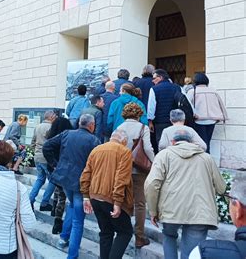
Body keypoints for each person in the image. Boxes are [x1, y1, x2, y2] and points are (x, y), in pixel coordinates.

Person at [145, 130, 226, 259]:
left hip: (171, 210)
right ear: (192, 142)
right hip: (200, 211)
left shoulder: (164, 155)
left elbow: (151, 184)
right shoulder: (206, 158)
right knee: (192, 252)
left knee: (169, 236)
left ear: (172, 142)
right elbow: (221, 187)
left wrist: (153, 211)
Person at [43, 114, 99, 259]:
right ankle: (71, 255)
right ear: (92, 125)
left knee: (73, 207)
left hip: (66, 179)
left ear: (80, 123)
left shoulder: (67, 134)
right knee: (78, 221)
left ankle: (63, 238)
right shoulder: (94, 140)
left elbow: (47, 145)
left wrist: (55, 164)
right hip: (81, 183)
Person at [80, 130, 134, 259]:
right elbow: (121, 179)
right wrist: (117, 202)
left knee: (105, 232)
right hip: (110, 198)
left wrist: (86, 196)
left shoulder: (97, 149)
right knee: (125, 232)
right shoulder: (124, 151)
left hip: (95, 196)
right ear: (124, 141)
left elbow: (86, 174)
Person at [115, 103, 155, 248]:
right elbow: (147, 148)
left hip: (122, 169)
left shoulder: (119, 128)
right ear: (138, 114)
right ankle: (139, 236)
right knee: (139, 203)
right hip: (138, 170)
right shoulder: (142, 128)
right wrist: (155, 163)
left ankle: (123, 232)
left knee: (124, 202)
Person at [190, 176, 246, 259]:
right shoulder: (208, 163)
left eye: (229, 199)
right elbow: (220, 186)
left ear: (237, 208)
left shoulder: (205, 253)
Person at [186, 72, 228, 153]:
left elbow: (187, 105)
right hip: (212, 120)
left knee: (201, 143)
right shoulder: (213, 91)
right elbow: (220, 104)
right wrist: (223, 116)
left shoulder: (192, 91)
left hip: (198, 120)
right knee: (207, 141)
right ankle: (207, 159)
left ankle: (205, 161)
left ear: (195, 81)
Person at [45, 115, 73, 234]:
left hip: (53, 168)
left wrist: (53, 164)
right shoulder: (66, 138)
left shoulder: (51, 136)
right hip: (62, 169)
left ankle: (54, 210)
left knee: (57, 191)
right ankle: (57, 222)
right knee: (62, 196)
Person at [147, 69, 181, 154]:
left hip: (160, 121)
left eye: (154, 78)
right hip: (176, 120)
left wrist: (150, 121)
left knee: (161, 143)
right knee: (175, 142)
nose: (152, 80)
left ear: (160, 77)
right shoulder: (177, 87)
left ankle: (163, 161)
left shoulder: (154, 89)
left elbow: (151, 107)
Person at [29, 110, 56, 212]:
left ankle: (30, 200)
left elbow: (32, 143)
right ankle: (44, 202)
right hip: (46, 158)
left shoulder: (38, 126)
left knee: (40, 179)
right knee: (53, 180)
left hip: (37, 157)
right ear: (51, 117)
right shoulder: (51, 128)